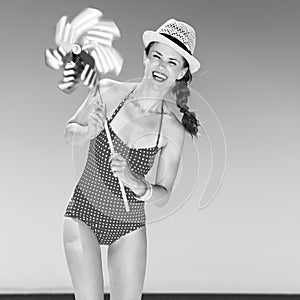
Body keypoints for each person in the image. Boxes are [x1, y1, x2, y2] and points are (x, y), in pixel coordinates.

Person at [62, 18, 201, 300]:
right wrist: (89, 130)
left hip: (129, 225)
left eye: (172, 62)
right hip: (83, 213)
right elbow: (69, 132)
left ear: (182, 73)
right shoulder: (108, 91)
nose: (161, 67)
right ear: (145, 58)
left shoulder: (173, 129)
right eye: (157, 56)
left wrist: (135, 182)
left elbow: (163, 195)